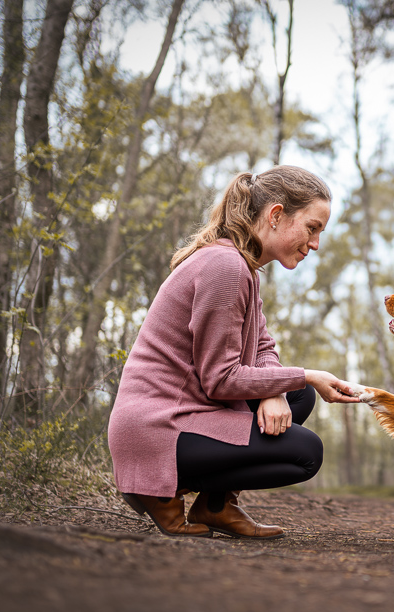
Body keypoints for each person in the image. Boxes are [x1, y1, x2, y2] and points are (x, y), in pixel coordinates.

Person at [108, 166, 361, 540]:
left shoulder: (242, 267)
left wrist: (276, 390)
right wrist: (307, 375)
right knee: (305, 451)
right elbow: (220, 378)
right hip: (158, 427)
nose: (316, 243)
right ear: (276, 215)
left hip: (188, 412)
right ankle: (158, 491)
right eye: (312, 228)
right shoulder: (225, 268)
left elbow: (262, 345)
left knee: (298, 397)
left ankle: (215, 506)